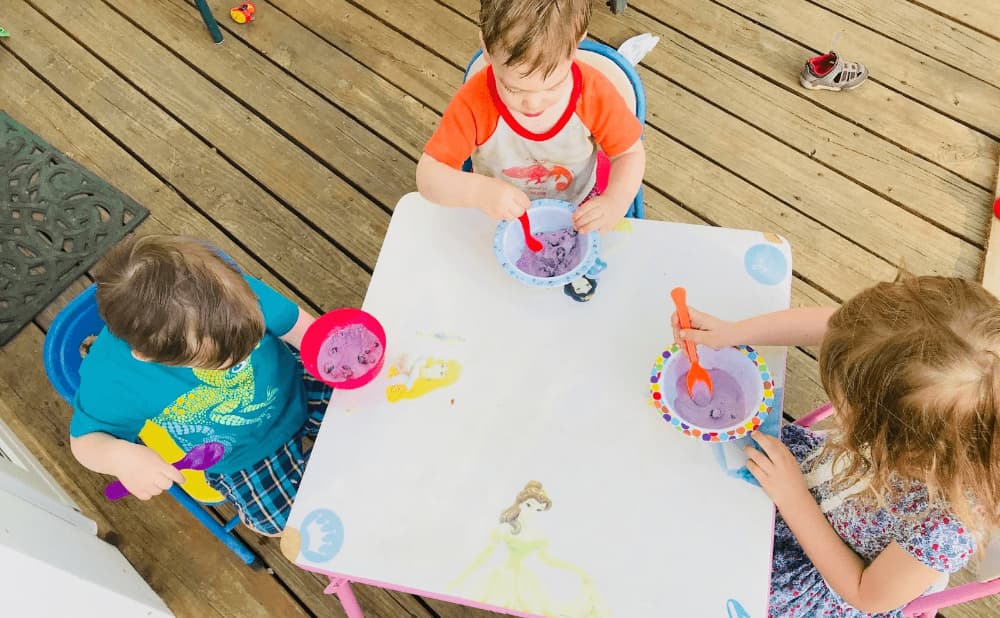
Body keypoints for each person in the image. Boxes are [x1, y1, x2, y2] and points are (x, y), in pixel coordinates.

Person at [673, 276, 1000, 616]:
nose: (834, 399)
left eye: (842, 400)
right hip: (815, 481)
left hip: (824, 571)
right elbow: (836, 328)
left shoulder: (947, 528)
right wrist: (732, 333)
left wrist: (794, 497)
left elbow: (866, 594)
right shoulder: (907, 351)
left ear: (894, 446)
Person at [69, 235, 329, 536]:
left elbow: (301, 330)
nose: (244, 355)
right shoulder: (113, 379)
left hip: (295, 386)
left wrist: (328, 353)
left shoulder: (228, 293)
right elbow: (84, 442)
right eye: (225, 358)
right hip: (242, 455)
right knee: (288, 524)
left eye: (251, 340)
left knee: (380, 406)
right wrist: (120, 457)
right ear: (150, 357)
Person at [416, 0, 645, 234]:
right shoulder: (474, 103)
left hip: (578, 207)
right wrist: (478, 192)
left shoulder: (594, 94)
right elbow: (428, 175)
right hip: (496, 212)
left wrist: (615, 201)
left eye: (553, 87)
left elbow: (630, 154)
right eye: (513, 89)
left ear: (577, 44)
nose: (533, 104)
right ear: (486, 48)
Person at [449, 481, 608, 616]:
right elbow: (484, 556)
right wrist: (462, 576)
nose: (533, 512)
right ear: (520, 503)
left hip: (525, 581)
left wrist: (577, 571)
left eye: (538, 509)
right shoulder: (506, 530)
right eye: (529, 505)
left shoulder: (536, 535)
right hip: (501, 577)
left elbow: (548, 560)